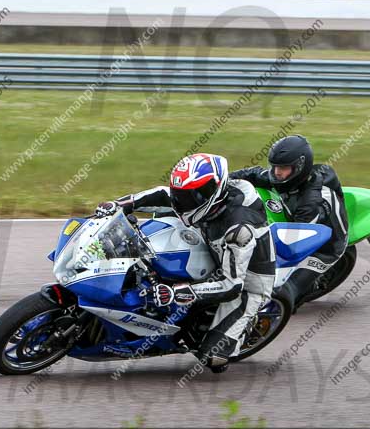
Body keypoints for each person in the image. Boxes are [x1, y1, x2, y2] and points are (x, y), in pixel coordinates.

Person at [96, 153, 276, 373]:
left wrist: (176, 293)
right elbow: (164, 195)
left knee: (212, 358)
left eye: (191, 196)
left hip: (247, 280)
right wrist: (120, 204)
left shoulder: (239, 229)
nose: (182, 201)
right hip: (211, 242)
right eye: (181, 194)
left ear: (213, 191)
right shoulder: (204, 200)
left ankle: (239, 332)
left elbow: (232, 285)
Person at [230, 135, 348, 311]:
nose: (277, 172)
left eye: (283, 168)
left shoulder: (311, 201)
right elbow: (251, 175)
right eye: (275, 166)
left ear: (300, 167)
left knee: (286, 292)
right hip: (295, 220)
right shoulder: (282, 177)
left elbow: (296, 243)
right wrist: (221, 181)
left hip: (325, 246)